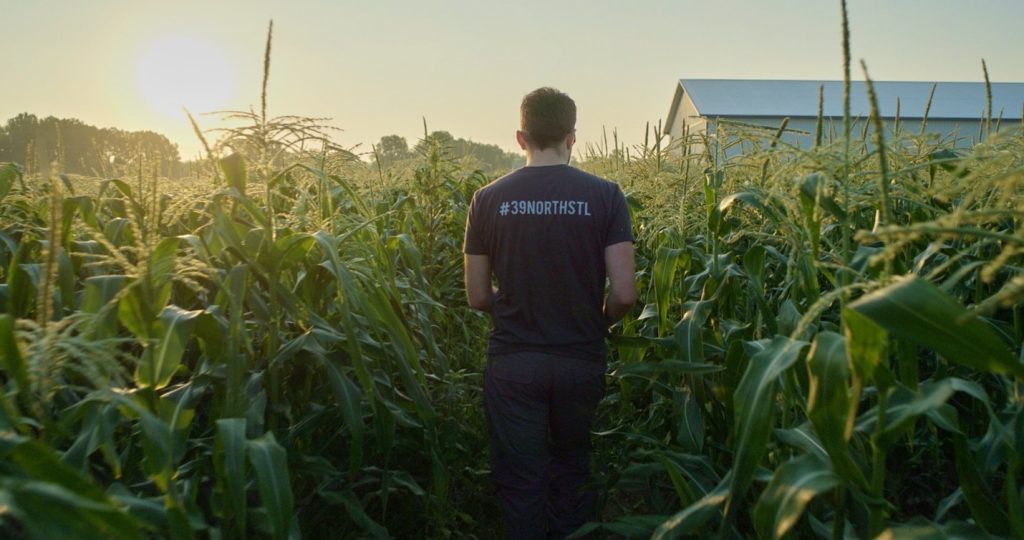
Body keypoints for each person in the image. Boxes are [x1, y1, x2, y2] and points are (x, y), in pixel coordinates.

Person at [462, 87, 637, 539]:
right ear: (572, 136)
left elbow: (478, 296)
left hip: (514, 363)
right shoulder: (605, 195)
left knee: (521, 481)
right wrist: (597, 319)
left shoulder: (487, 199)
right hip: (580, 358)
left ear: (521, 138)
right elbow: (624, 293)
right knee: (571, 470)